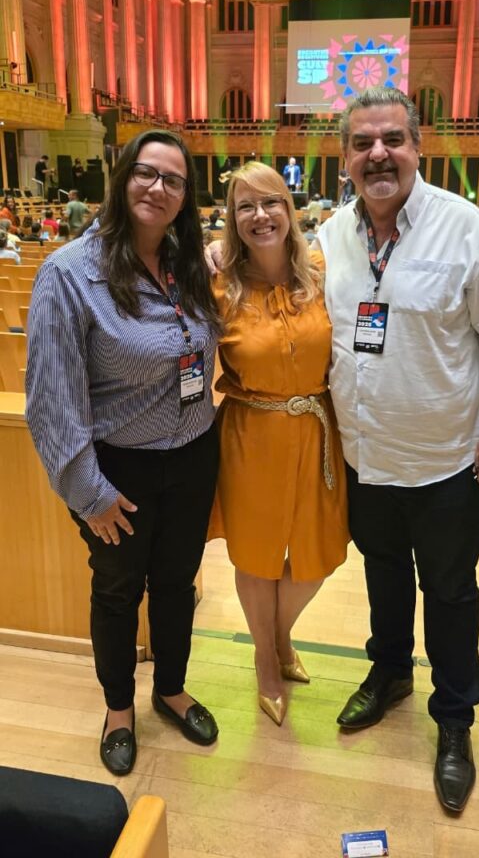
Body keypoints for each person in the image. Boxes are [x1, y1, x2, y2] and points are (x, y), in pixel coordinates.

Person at [314, 88, 479, 813]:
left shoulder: (464, 228)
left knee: (448, 591)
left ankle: (453, 720)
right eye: (361, 142)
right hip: (366, 456)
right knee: (382, 574)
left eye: (392, 139)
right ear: (344, 157)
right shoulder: (330, 236)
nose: (377, 153)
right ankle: (388, 674)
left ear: (418, 146)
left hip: (447, 461)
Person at [26, 130, 221, 776]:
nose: (158, 188)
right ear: (121, 178)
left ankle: (170, 688)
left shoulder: (185, 262)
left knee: (175, 583)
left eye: (173, 179)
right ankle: (117, 708)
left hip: (193, 455)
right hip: (118, 469)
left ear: (185, 197)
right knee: (117, 590)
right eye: (146, 173)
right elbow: (50, 399)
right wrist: (89, 492)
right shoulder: (69, 274)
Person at [208, 163, 348, 726]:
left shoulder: (321, 273)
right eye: (246, 206)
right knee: (258, 558)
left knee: (317, 559)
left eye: (271, 203)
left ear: (290, 210)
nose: (260, 216)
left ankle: (279, 636)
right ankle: (268, 658)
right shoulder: (217, 286)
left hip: (318, 430)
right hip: (251, 434)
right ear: (232, 219)